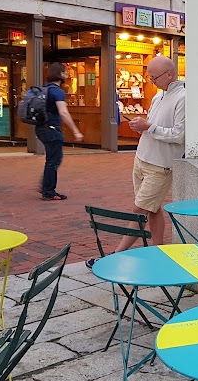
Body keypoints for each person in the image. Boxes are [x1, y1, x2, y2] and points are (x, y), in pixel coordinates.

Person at [89, 56, 185, 266]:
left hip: (161, 165)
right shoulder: (158, 96)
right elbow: (154, 126)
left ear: (170, 74)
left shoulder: (183, 98)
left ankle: (115, 255)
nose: (152, 81)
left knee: (139, 210)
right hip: (143, 158)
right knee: (152, 208)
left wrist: (148, 127)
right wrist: (142, 127)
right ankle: (159, 251)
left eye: (154, 77)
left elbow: (179, 135)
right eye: (149, 77)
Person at [37, 63, 83, 201]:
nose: (67, 74)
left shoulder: (44, 88)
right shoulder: (57, 92)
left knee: (52, 159)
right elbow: (63, 112)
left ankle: (46, 186)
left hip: (41, 128)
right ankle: (48, 191)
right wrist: (75, 131)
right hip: (52, 129)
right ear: (60, 74)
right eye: (65, 72)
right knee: (54, 160)